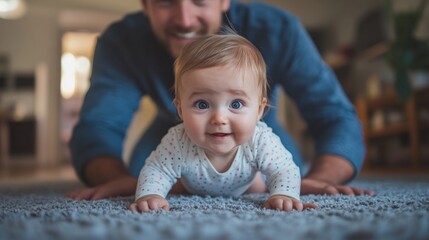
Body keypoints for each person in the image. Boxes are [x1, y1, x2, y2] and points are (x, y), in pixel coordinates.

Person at [67, 0, 374, 201]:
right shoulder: (122, 41)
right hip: (169, 131)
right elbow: (99, 126)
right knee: (144, 171)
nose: (185, 19)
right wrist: (127, 183)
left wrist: (317, 181)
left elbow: (334, 116)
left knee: (281, 167)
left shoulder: (278, 30)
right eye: (164, 1)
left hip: (257, 131)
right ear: (145, 4)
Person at [129, 33, 317, 212]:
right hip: (190, 188)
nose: (219, 118)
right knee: (171, 188)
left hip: (248, 188)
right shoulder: (178, 140)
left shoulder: (259, 139)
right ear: (180, 110)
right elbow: (157, 169)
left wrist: (284, 194)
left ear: (259, 110)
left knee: (263, 188)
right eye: (202, 104)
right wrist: (151, 194)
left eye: (236, 104)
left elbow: (283, 168)